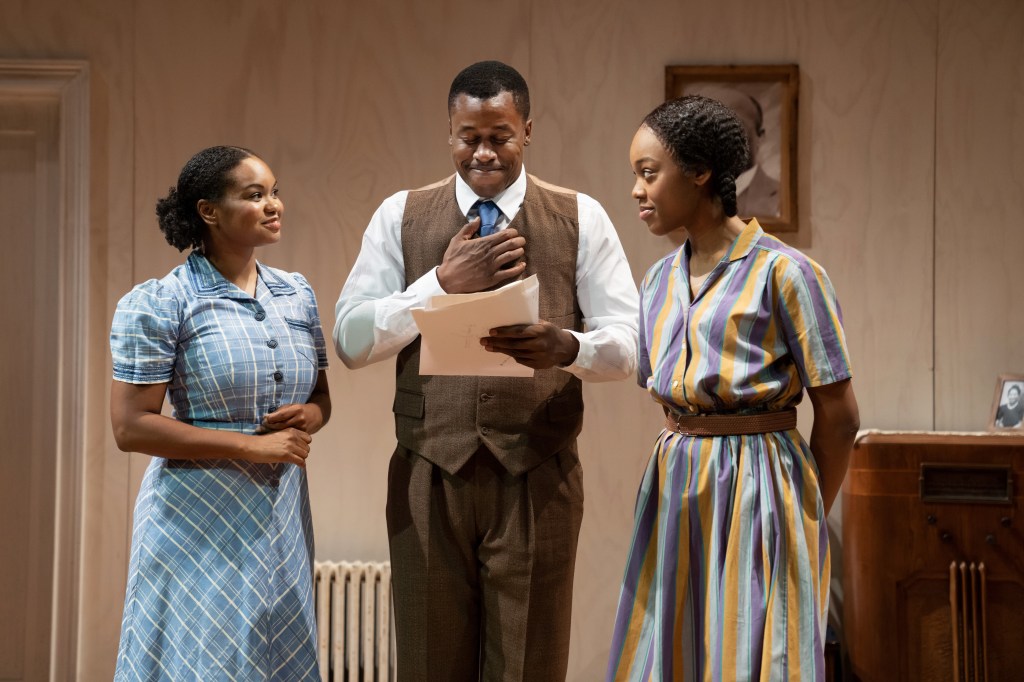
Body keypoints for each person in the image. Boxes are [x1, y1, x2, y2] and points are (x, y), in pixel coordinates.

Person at [334, 60, 638, 681]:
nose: (483, 153)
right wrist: (441, 285)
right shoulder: (401, 215)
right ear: (449, 132)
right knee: (427, 662)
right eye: (468, 137)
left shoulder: (582, 217)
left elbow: (630, 347)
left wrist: (568, 348)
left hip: (538, 473)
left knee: (529, 665)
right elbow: (349, 340)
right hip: (427, 473)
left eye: (499, 136)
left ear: (528, 129)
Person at [607, 95, 860, 681]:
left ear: (699, 173)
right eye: (634, 176)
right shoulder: (657, 281)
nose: (637, 191)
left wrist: (801, 505)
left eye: (649, 173)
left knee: (757, 652)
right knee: (672, 649)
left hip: (764, 485)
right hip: (676, 485)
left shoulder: (787, 273)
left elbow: (841, 417)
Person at [109, 146, 331, 680]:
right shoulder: (164, 301)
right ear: (209, 211)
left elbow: (322, 398)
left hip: (280, 517)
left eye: (274, 192)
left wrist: (310, 417)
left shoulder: (296, 294)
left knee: (272, 658)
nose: (274, 204)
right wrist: (251, 446)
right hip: (195, 522)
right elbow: (129, 426)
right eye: (255, 195)